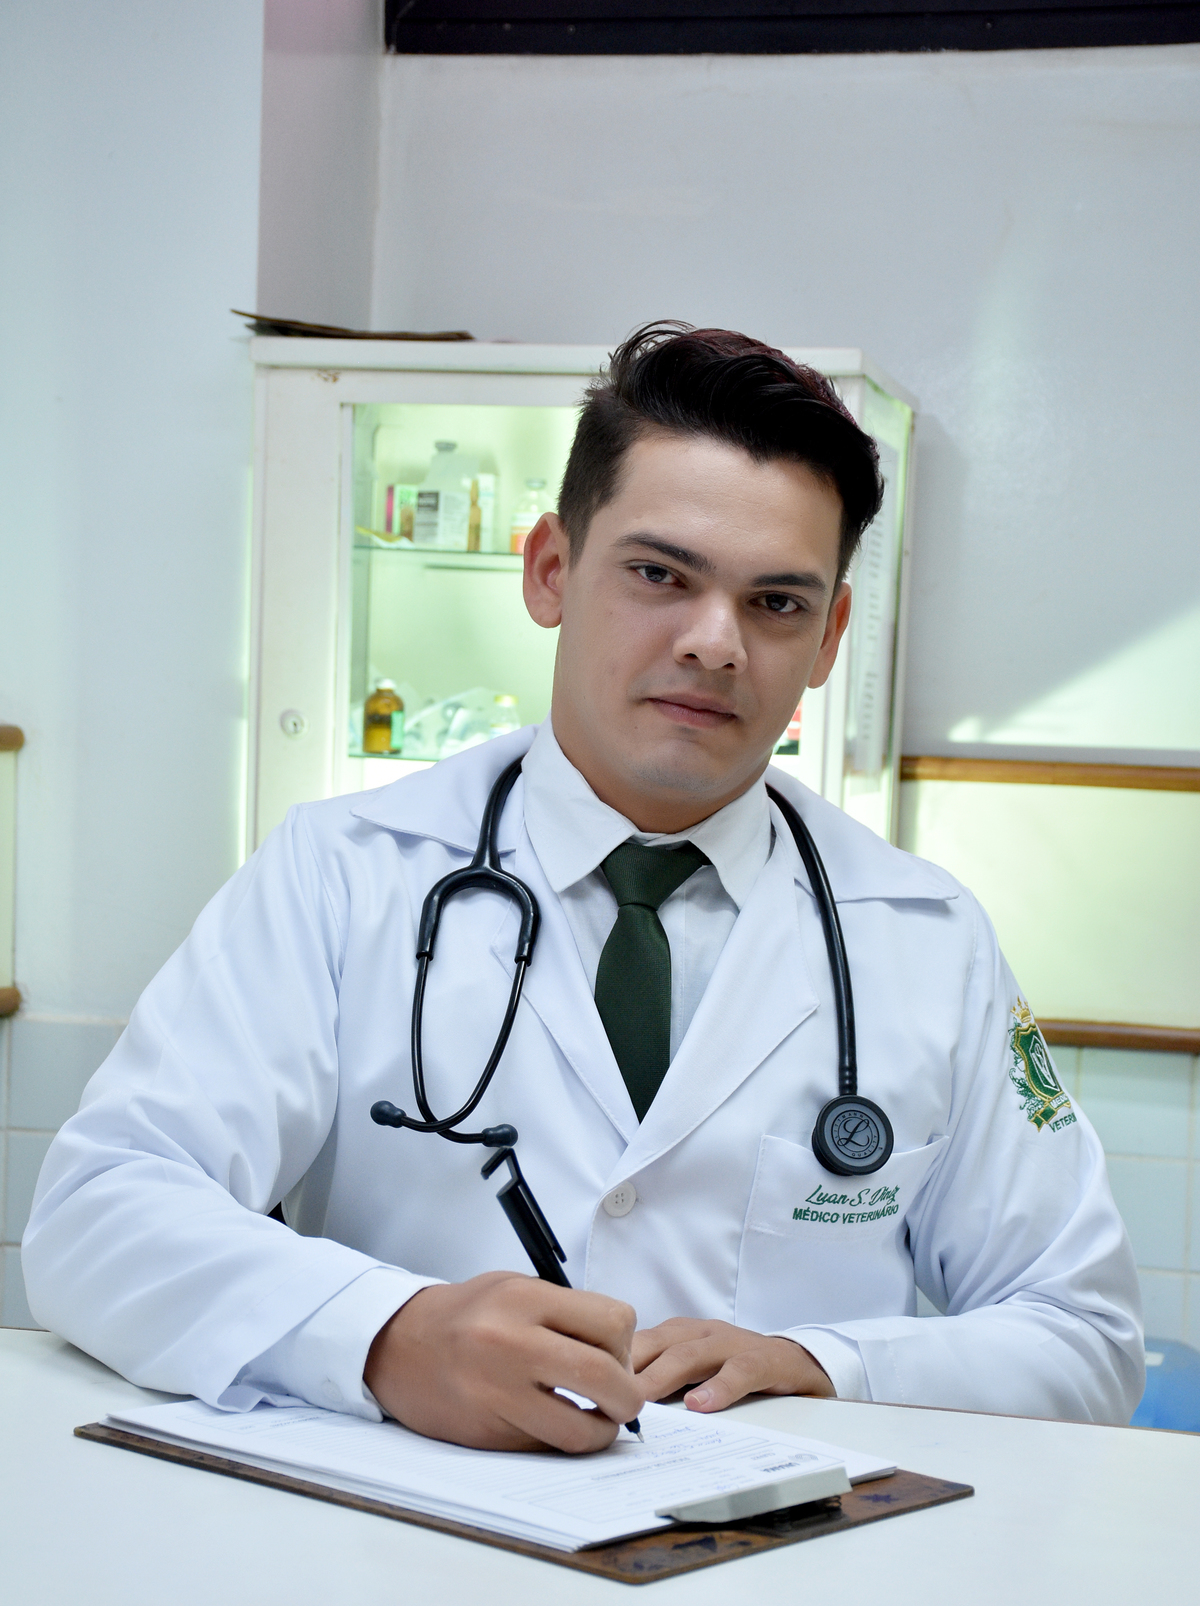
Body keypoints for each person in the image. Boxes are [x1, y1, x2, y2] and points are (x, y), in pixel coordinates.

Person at [23, 323, 1143, 1451]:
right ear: (550, 569)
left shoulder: (925, 937)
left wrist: (828, 1365)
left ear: (829, 637)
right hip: (413, 1537)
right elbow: (97, 1213)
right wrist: (385, 1335)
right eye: (660, 575)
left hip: (785, 1545)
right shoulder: (344, 873)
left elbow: (1083, 1336)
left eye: (777, 603)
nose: (715, 643)